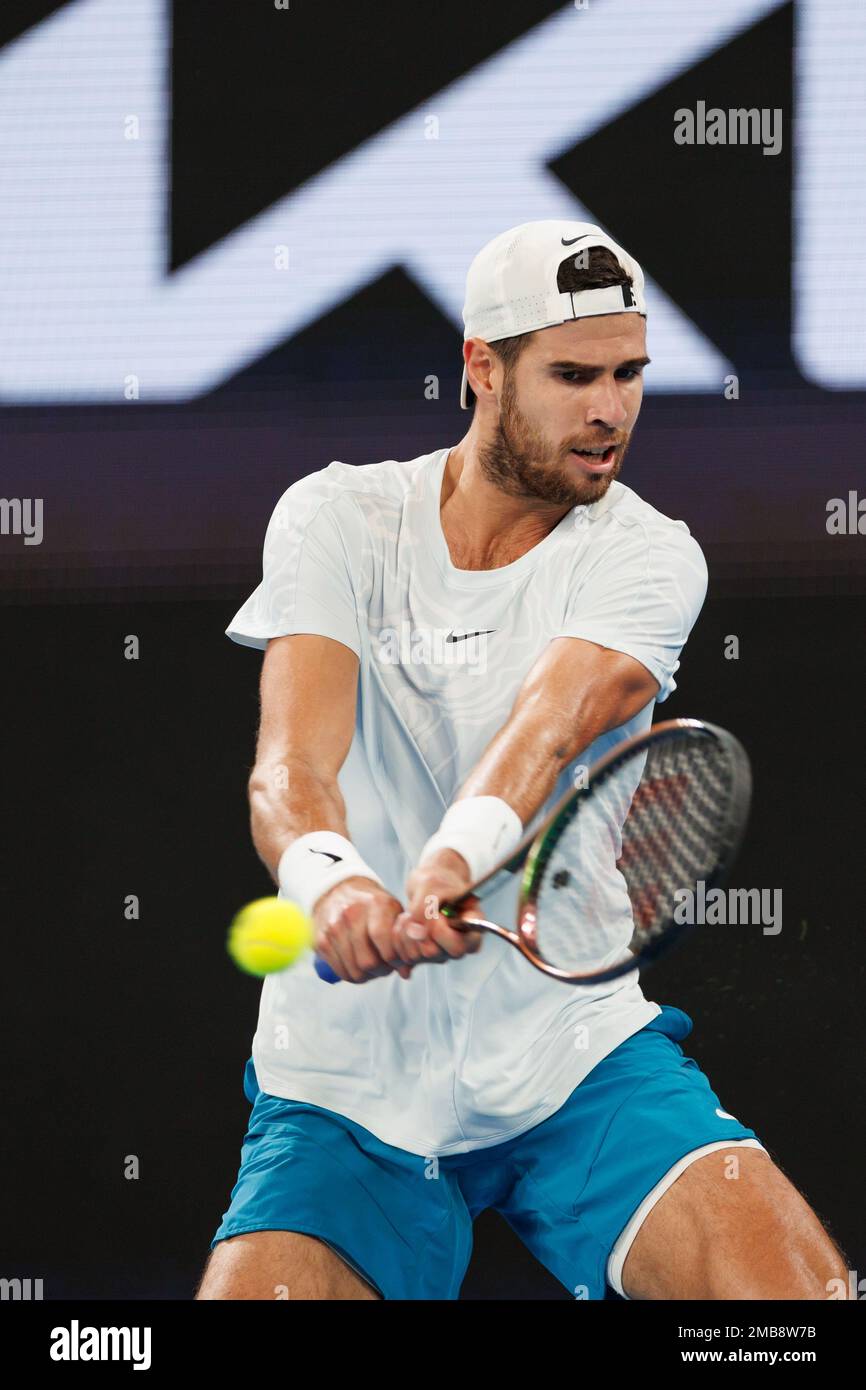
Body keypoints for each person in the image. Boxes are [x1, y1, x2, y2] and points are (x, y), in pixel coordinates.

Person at [196, 221, 848, 1301]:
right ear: (480, 369)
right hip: (346, 1088)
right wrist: (334, 883)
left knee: (796, 1306)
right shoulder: (336, 517)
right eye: (573, 375)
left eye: (630, 373)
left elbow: (547, 729)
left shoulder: (647, 552)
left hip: (570, 1055)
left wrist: (448, 862)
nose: (609, 410)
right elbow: (288, 765)